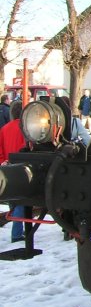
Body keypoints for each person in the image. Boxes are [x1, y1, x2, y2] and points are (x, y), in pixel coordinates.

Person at [0, 101, 26, 241]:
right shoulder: (25, 129)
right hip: (21, 168)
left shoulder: (4, 129)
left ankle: (17, 229)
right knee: (21, 201)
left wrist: (3, 161)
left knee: (12, 200)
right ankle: (16, 233)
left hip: (6, 167)